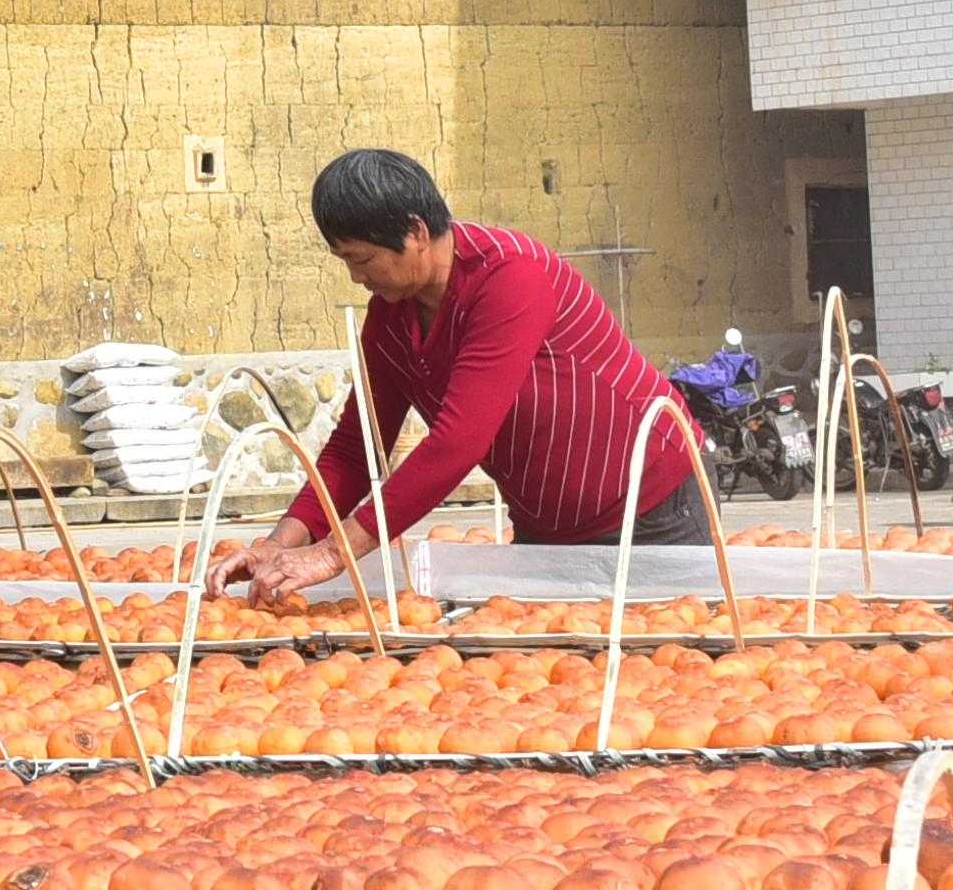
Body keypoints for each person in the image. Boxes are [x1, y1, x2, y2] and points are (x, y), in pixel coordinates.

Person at [210, 146, 709, 606]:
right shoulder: (391, 316)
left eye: (363, 259)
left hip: (651, 509)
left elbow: (459, 441)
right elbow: (356, 446)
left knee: (670, 669)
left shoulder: (512, 275)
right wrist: (276, 546)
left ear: (416, 234)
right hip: (546, 524)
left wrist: (332, 553)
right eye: (346, 261)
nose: (357, 277)